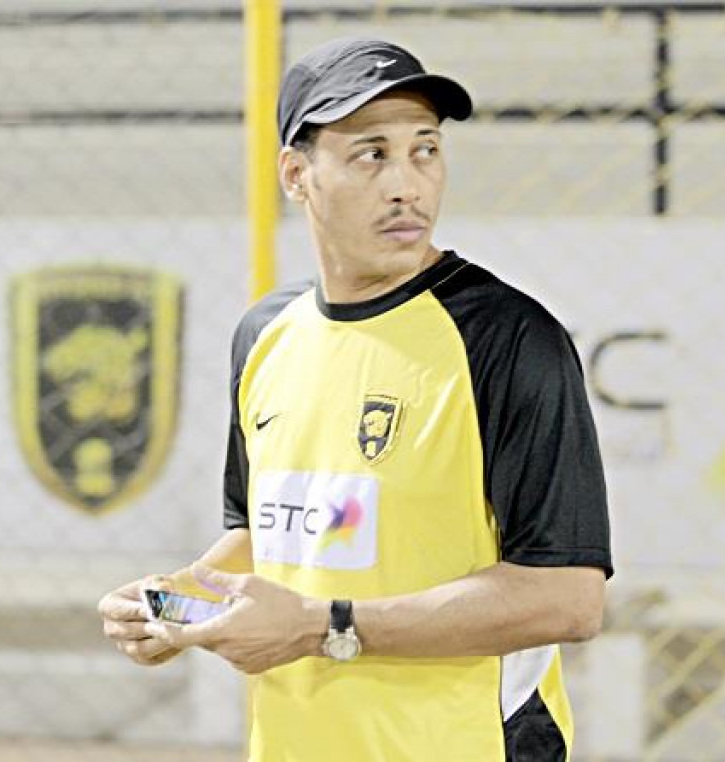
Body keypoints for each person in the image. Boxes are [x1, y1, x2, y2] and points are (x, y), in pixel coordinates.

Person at [99, 37, 612, 761]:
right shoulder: (265, 335)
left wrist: (324, 625)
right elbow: (266, 536)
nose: (407, 185)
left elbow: (568, 599)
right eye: (371, 154)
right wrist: (178, 602)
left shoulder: (507, 338)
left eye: (425, 150)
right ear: (296, 174)